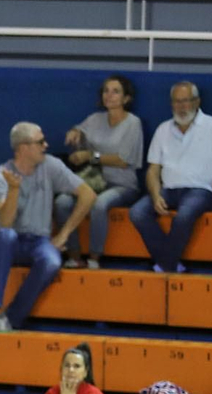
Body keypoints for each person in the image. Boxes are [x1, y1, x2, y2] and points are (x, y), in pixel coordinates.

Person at [0, 122, 95, 334]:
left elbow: (88, 195)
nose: (45, 145)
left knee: (52, 260)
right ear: (23, 147)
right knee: (6, 235)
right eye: (40, 142)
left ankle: (10, 320)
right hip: (6, 242)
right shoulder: (0, 175)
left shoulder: (51, 166)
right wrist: (14, 189)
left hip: (38, 240)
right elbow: (6, 222)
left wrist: (63, 234)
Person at [129, 81, 212, 274]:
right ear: (171, 104)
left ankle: (164, 266)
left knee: (185, 214)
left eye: (186, 101)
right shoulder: (163, 129)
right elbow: (153, 170)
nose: (181, 106)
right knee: (137, 212)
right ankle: (169, 264)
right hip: (168, 190)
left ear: (197, 102)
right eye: (177, 102)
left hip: (202, 190)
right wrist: (155, 195)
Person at [55, 74, 145, 268]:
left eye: (115, 91)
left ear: (126, 98)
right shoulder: (95, 119)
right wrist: (74, 133)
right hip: (92, 181)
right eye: (106, 90)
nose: (109, 95)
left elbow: (123, 160)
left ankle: (95, 257)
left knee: (100, 204)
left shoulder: (133, 123)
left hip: (122, 184)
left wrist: (90, 156)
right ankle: (73, 254)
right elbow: (80, 130)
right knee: (62, 201)